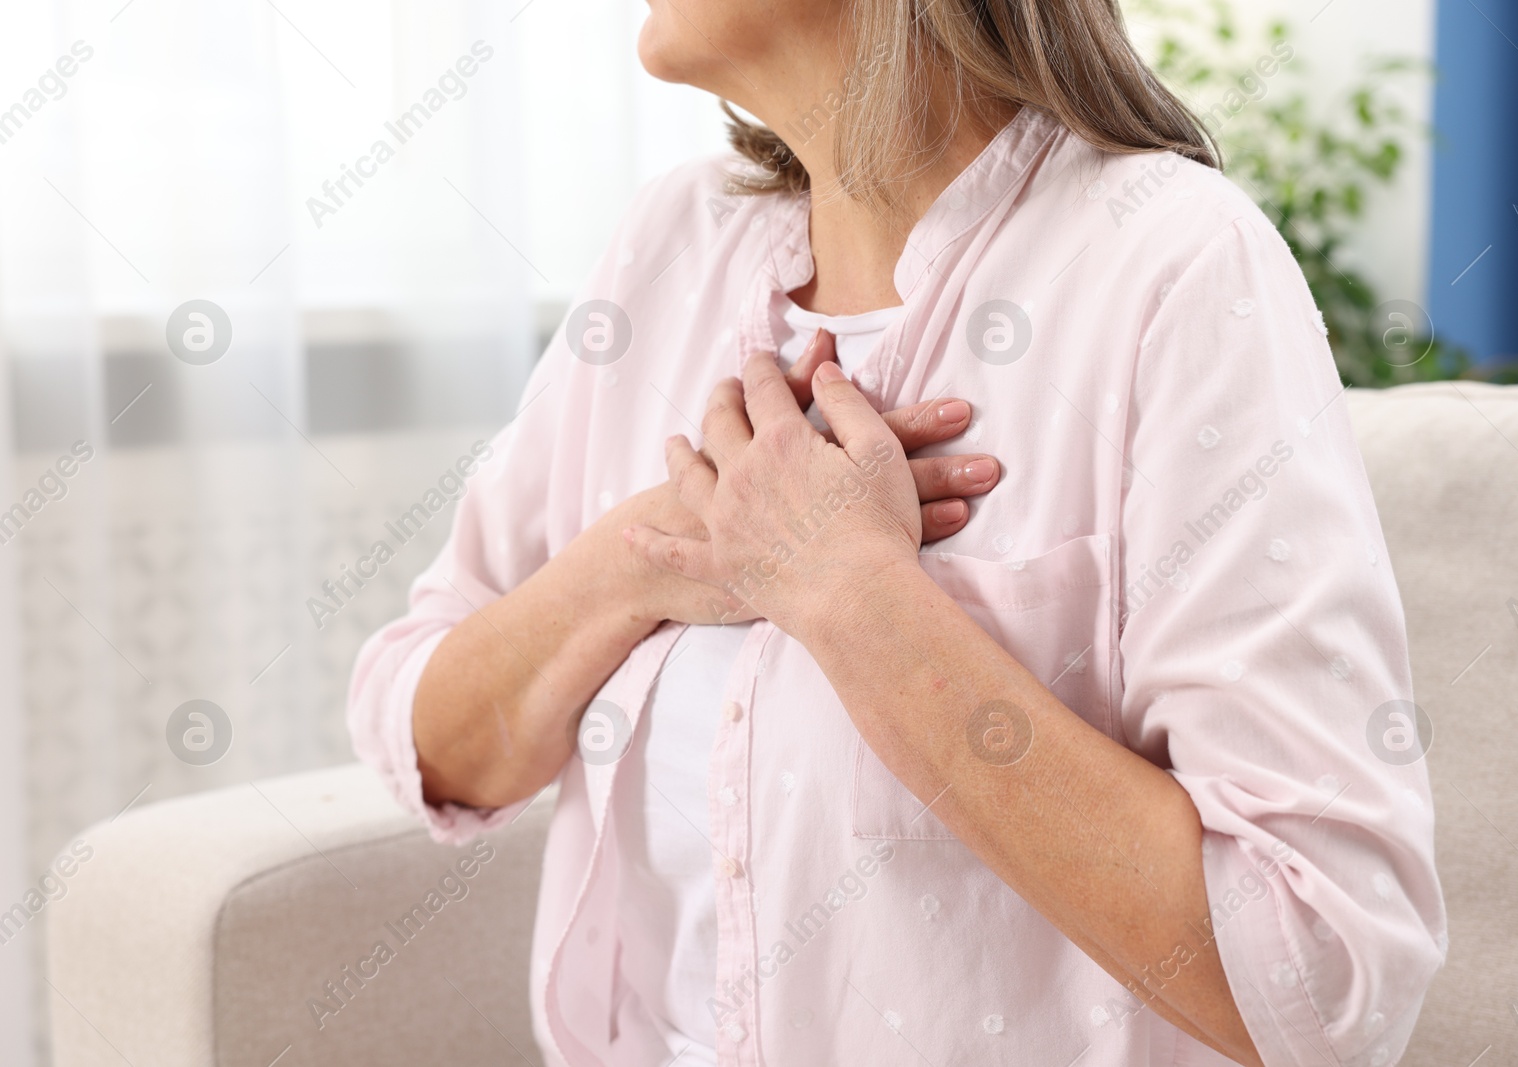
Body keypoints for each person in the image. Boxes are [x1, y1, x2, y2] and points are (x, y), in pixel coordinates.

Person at [349, 2, 1447, 1064]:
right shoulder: (670, 246)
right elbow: (429, 734)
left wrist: (851, 594)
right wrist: (643, 558)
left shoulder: (1170, 265)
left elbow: (1323, 977)